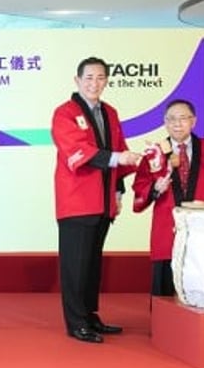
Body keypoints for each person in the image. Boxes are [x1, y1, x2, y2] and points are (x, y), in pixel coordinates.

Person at [51, 57, 142, 344]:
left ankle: (90, 315)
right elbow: (76, 150)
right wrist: (117, 158)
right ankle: (76, 322)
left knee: (92, 264)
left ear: (106, 81)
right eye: (89, 78)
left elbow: (119, 150)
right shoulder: (64, 113)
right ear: (77, 81)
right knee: (75, 265)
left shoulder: (110, 112)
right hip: (77, 200)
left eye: (100, 78)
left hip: (103, 200)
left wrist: (119, 191)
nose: (95, 83)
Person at [132, 99, 204, 296]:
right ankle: (163, 326)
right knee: (164, 291)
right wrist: (155, 188)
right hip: (167, 228)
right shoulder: (153, 154)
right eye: (171, 119)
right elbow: (139, 189)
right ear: (164, 122)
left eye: (183, 118)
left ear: (194, 121)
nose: (177, 123)